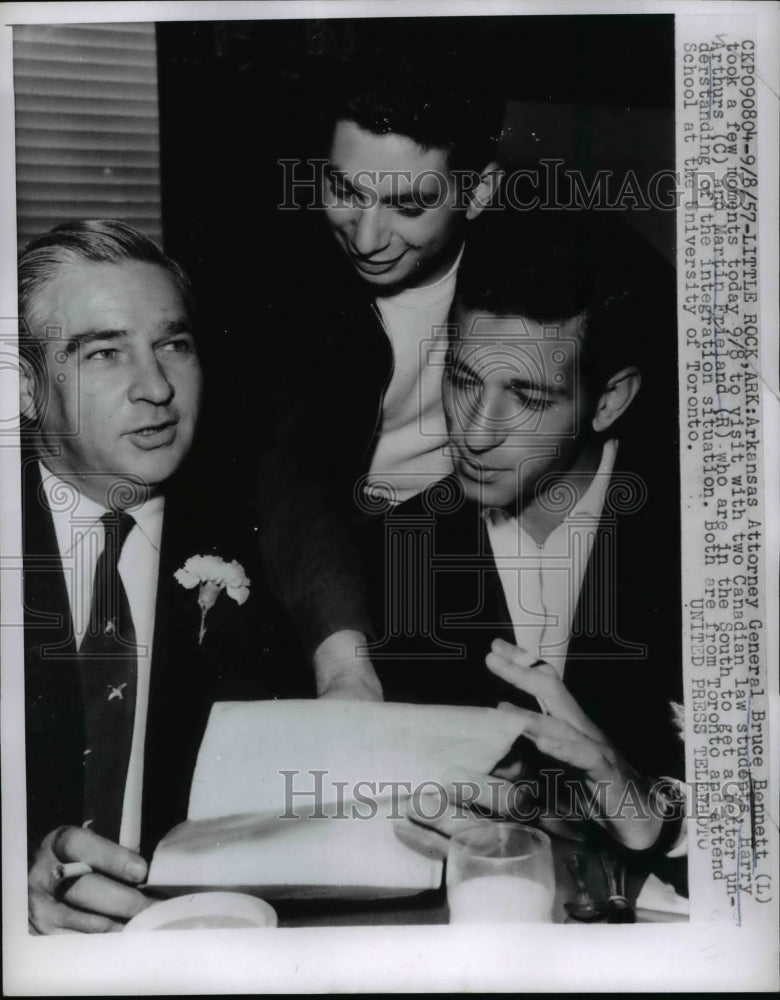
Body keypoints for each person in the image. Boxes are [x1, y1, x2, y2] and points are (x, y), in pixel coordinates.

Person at [361, 209, 686, 873]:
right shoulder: (386, 556)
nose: (476, 433)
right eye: (462, 379)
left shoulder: (710, 549)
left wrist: (654, 811)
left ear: (608, 400)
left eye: (527, 396)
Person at [19, 220, 304, 934]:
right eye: (105, 353)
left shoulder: (265, 554)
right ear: (22, 387)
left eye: (174, 345)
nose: (156, 388)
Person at [256, 52, 505, 702]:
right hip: (330, 558)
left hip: (482, 552)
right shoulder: (281, 276)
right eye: (345, 192)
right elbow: (293, 466)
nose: (367, 238)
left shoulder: (566, 267)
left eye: (406, 206)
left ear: (478, 192)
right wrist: (341, 662)